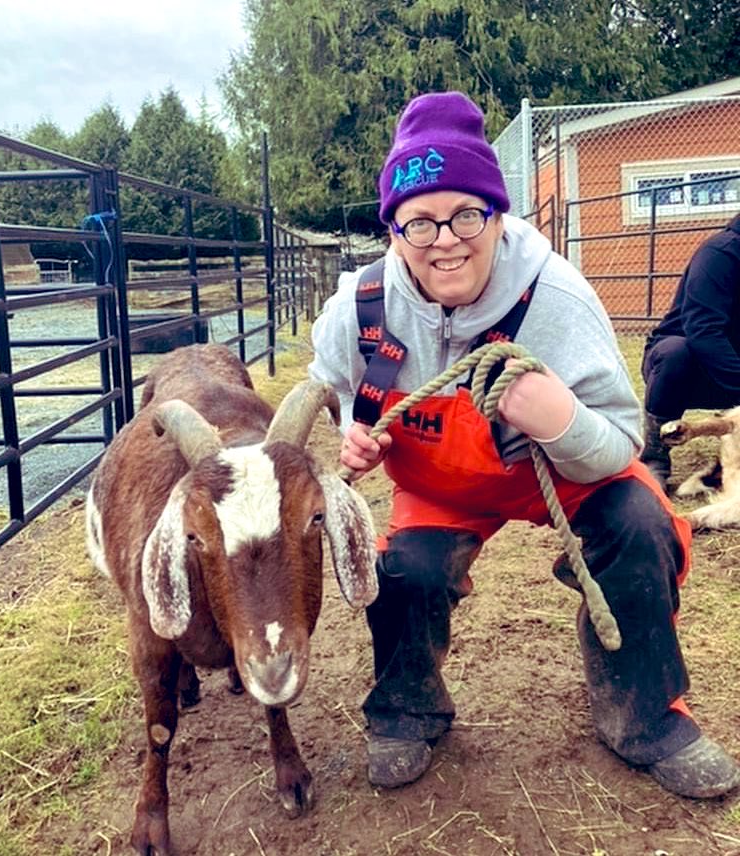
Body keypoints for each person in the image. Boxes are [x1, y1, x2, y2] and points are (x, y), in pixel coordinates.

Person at [308, 91, 740, 798]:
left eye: (466, 215)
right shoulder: (357, 308)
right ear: (393, 231)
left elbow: (623, 439)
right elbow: (328, 392)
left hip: (564, 473)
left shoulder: (556, 299)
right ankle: (408, 708)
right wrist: (352, 433)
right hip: (441, 486)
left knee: (641, 526)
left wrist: (559, 417)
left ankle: (647, 719)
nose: (445, 239)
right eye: (419, 222)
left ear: (499, 215)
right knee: (406, 571)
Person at [641, 212, 740, 489]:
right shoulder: (719, 255)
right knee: (676, 353)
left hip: (730, 364)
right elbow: (703, 332)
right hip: (689, 366)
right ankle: (654, 458)